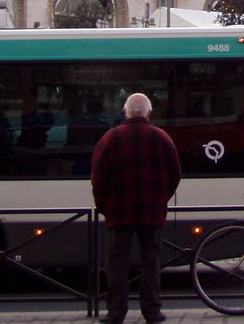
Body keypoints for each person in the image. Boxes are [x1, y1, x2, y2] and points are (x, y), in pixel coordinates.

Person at [91, 93, 181, 324]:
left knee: (117, 263)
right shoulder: (162, 138)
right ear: (148, 113)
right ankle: (152, 310)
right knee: (151, 262)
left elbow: (98, 179)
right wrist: (161, 198)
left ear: (126, 112)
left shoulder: (110, 139)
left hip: (119, 211)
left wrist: (105, 206)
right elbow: (175, 175)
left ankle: (116, 312)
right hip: (151, 211)